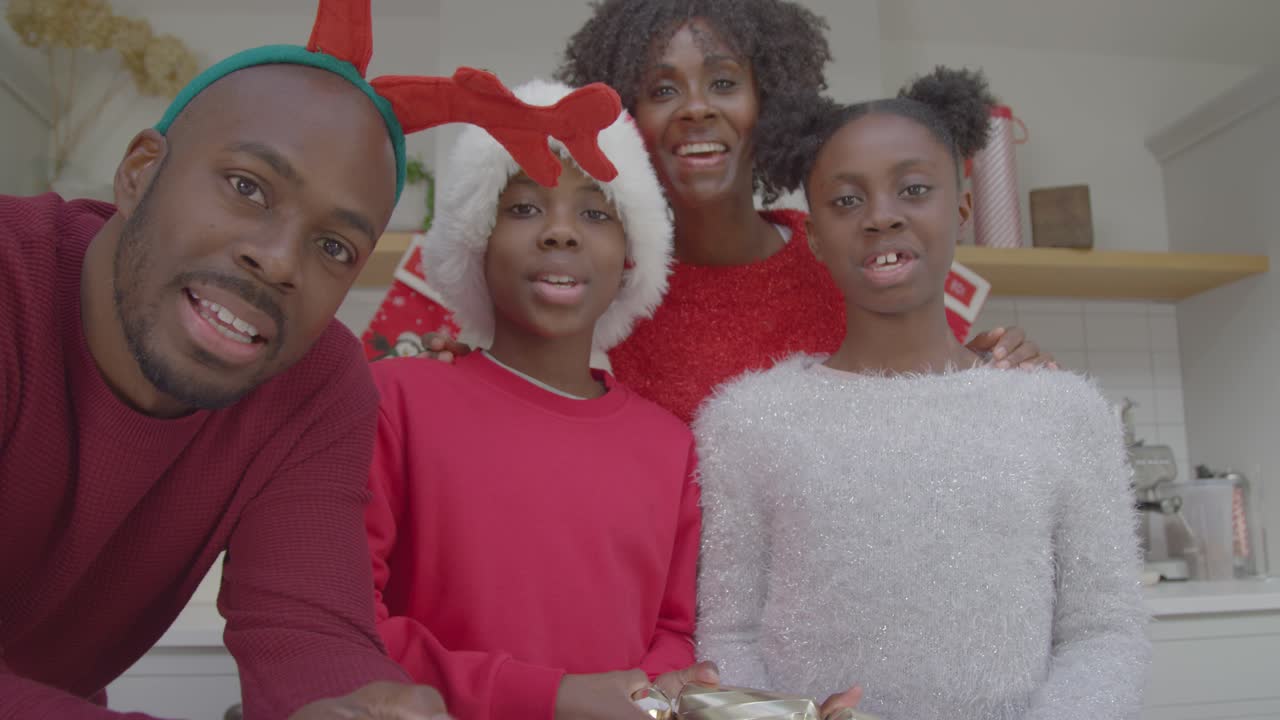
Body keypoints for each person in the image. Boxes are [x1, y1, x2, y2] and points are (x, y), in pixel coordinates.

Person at [0, 0, 586, 716]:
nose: (277, 261)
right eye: (248, 187)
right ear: (138, 172)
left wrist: (363, 707)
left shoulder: (317, 385)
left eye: (334, 247)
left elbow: (307, 629)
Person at [693, 67, 1150, 719]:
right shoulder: (745, 423)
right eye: (846, 201)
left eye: (913, 190)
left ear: (961, 208)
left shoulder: (1063, 413)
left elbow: (1105, 634)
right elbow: (730, 636)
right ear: (814, 233)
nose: (882, 216)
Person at [360, 0, 1054, 426]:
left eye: (723, 82)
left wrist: (1003, 364)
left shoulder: (849, 251)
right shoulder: (589, 273)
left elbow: (951, 395)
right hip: (638, 636)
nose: (696, 106)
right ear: (627, 115)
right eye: (664, 88)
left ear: (770, 102)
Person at [365, 78, 712, 720]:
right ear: (475, 238)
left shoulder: (670, 446)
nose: (560, 233)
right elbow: (350, 624)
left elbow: (673, 628)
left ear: (632, 255)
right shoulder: (395, 403)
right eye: (523, 208)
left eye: (596, 211)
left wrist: (654, 690)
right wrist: (551, 697)